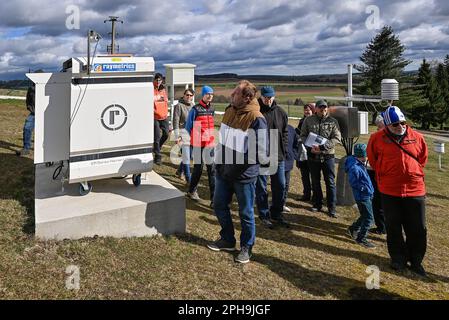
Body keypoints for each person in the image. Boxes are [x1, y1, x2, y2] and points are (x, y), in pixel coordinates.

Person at [208, 80, 268, 264]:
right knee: (219, 205)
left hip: (243, 176)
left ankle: (246, 247)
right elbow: (223, 141)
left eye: (235, 94)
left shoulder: (257, 119)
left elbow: (257, 153)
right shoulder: (229, 110)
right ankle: (227, 239)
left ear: (247, 97)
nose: (231, 96)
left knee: (246, 213)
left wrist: (233, 170)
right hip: (223, 172)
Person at [367, 106, 428, 276]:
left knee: (417, 227)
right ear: (386, 125)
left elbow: (422, 159)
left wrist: (411, 173)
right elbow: (373, 160)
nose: (400, 127)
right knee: (393, 227)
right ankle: (398, 259)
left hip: (415, 190)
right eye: (395, 124)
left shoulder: (417, 137)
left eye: (403, 123)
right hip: (389, 190)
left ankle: (416, 260)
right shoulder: (376, 138)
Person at [300, 100, 341, 218]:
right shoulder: (308, 120)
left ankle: (331, 207)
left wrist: (323, 146)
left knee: (330, 182)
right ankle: (317, 204)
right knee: (315, 181)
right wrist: (309, 146)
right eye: (321, 107)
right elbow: (303, 135)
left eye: (325, 108)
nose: (323, 110)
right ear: (316, 109)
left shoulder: (333, 122)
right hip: (313, 156)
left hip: (328, 156)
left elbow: (337, 138)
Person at [255, 86, 289, 228]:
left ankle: (276, 213)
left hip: (278, 156)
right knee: (261, 186)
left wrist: (284, 148)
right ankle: (264, 214)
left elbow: (285, 132)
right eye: (265, 97)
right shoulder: (256, 112)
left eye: (270, 97)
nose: (268, 100)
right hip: (261, 156)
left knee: (280, 185)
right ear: (261, 97)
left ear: (274, 97)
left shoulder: (281, 112)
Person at [185, 86, 216, 206]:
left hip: (210, 144)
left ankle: (214, 199)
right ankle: (192, 191)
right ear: (203, 95)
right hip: (198, 144)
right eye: (208, 94)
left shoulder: (212, 109)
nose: (210, 96)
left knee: (212, 171)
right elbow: (188, 127)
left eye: (212, 94)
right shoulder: (195, 109)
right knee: (198, 169)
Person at [346, 144, 376, 248]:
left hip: (365, 194)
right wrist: (366, 189)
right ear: (363, 155)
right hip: (362, 196)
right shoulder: (355, 167)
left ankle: (353, 229)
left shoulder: (359, 163)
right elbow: (354, 183)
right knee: (369, 218)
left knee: (365, 215)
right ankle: (361, 238)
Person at [367, 114, 386, 235]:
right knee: (377, 200)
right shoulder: (376, 137)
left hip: (382, 174)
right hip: (376, 171)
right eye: (378, 127)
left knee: (379, 201)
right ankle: (381, 226)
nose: (378, 129)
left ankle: (382, 227)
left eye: (380, 127)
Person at [173, 89, 194, 183]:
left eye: (190, 95)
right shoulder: (178, 106)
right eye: (187, 95)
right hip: (182, 134)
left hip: (192, 135)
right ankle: (189, 180)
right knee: (186, 157)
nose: (188, 97)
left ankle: (179, 171)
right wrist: (177, 136)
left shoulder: (194, 106)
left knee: (188, 156)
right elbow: (176, 121)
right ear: (184, 95)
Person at [295, 103, 315, 201]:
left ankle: (316, 196)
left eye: (309, 110)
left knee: (314, 175)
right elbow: (298, 134)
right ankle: (306, 194)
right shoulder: (301, 121)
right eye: (305, 110)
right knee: (304, 174)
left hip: (313, 151)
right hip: (303, 151)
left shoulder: (316, 122)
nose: (307, 111)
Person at [283, 124, 300, 213]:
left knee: (286, 184)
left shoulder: (291, 129)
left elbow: (295, 144)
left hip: (288, 161)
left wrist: (293, 155)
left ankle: (283, 204)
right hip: (275, 161)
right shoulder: (273, 127)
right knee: (277, 184)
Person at [153, 73, 169, 165]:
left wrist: (166, 113)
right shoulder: (151, 89)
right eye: (157, 80)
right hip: (155, 117)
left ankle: (157, 148)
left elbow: (165, 102)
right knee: (157, 137)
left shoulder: (163, 90)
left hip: (164, 116)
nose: (158, 82)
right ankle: (158, 156)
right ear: (154, 80)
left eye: (160, 80)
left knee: (166, 134)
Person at [16, 83, 36, 157]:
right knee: (27, 128)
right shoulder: (31, 89)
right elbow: (28, 99)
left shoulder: (47, 87)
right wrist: (29, 107)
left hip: (45, 114)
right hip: (33, 114)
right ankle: (26, 149)